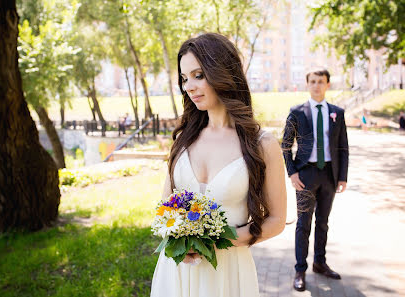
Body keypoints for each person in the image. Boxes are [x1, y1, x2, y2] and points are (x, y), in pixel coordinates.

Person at [150, 33, 287, 297]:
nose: (189, 86)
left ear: (223, 72)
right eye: (184, 78)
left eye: (198, 75)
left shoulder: (262, 145)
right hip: (176, 271)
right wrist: (179, 234)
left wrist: (216, 242)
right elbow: (164, 209)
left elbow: (277, 220)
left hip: (228, 273)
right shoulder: (183, 139)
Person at [281, 68, 349, 292]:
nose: (317, 85)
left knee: (323, 222)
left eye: (321, 81)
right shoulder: (297, 112)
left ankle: (320, 263)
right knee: (303, 224)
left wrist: (342, 177)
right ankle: (300, 269)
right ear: (307, 84)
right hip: (305, 175)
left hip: (329, 175)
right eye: (313, 81)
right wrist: (292, 173)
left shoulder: (337, 113)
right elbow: (286, 145)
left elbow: (343, 148)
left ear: (328, 84)